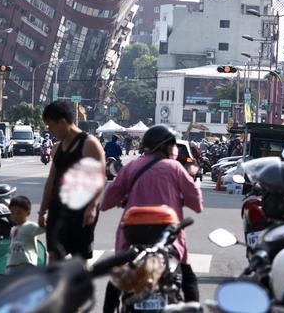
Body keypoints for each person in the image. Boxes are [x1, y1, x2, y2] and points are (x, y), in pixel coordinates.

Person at [101, 124, 203, 312]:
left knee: (118, 279)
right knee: (187, 276)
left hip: (133, 238)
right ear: (163, 146)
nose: (174, 149)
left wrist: (124, 200)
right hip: (168, 238)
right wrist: (180, 199)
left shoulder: (132, 166)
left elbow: (106, 202)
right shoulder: (175, 168)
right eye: (172, 145)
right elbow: (197, 203)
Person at [38, 101, 105, 264]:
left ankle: (80, 289)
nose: (50, 131)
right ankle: (55, 289)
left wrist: (92, 207)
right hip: (58, 208)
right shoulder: (57, 147)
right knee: (53, 257)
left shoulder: (89, 144)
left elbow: (100, 179)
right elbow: (51, 180)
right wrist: (42, 211)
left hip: (82, 211)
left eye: (51, 126)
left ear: (62, 122)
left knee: (79, 260)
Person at [6, 195, 44, 273]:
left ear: (28, 213)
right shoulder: (13, 229)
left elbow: (43, 228)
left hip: (27, 264)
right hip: (12, 264)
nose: (15, 216)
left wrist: (43, 217)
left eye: (19, 213)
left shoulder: (30, 226)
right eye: (12, 213)